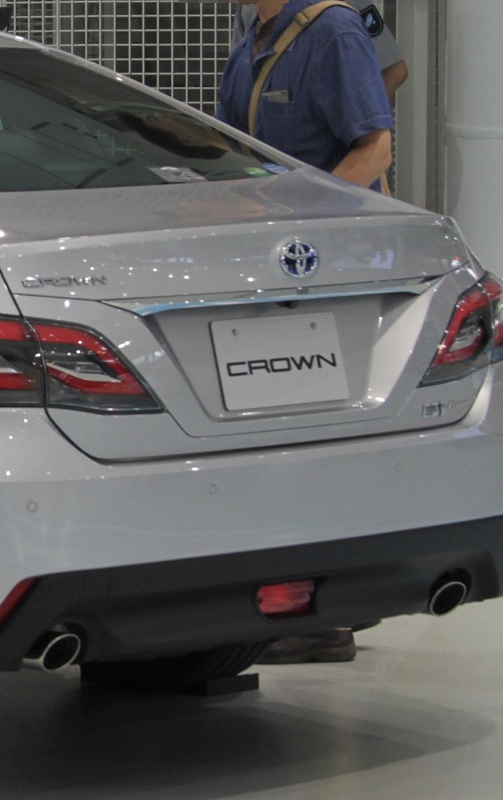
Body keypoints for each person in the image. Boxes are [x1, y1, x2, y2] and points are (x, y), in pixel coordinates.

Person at [216, 0, 396, 662]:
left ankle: (324, 614)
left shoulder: (334, 32)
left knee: (313, 433)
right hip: (268, 266)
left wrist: (302, 218)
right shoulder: (249, 40)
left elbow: (375, 148)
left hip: (320, 267)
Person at [215, 0, 394, 191]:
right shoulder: (244, 51)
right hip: (271, 206)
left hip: (325, 209)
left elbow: (377, 151)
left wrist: (316, 206)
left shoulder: (334, 30)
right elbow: (224, 145)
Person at [232, 1, 408, 103]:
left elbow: (393, 71)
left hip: (331, 147)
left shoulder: (338, 6)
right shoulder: (250, 10)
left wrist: (354, 132)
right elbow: (241, 84)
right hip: (274, 143)